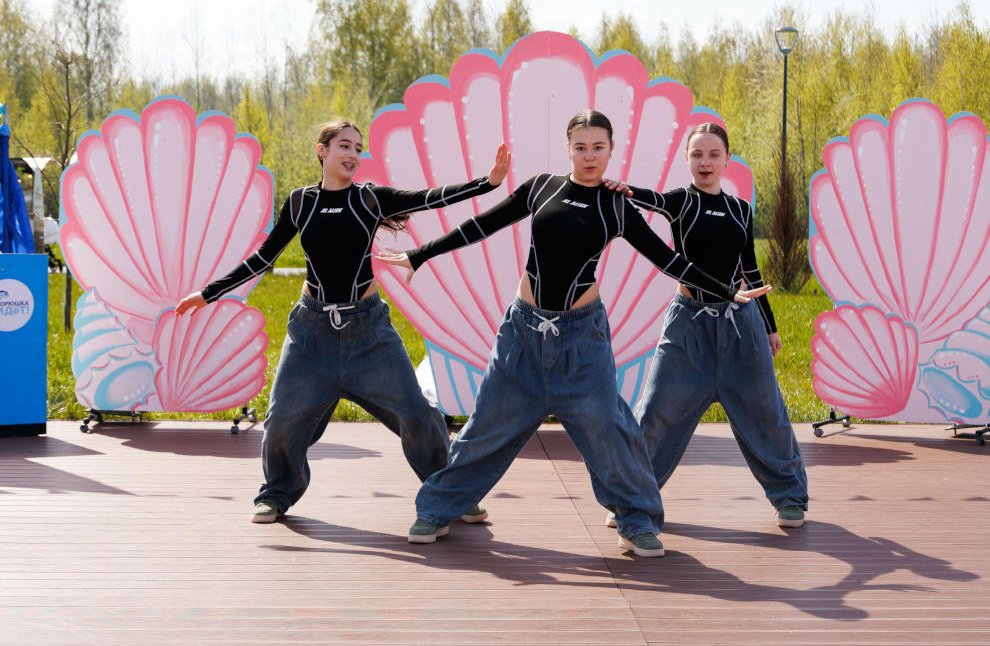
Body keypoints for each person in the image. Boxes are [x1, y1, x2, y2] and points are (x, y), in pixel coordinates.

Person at [377, 110, 770, 557]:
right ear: (568, 149)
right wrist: (421, 254)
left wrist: (727, 291)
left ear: (611, 150)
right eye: (580, 147)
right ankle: (437, 508)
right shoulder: (542, 187)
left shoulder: (616, 206)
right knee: (486, 424)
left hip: (582, 341)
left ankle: (636, 520)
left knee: (608, 429)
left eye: (598, 147)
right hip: (522, 335)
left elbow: (668, 260)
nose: (589, 156)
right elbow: (481, 225)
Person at [175, 119, 511, 524]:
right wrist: (208, 293)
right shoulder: (300, 202)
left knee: (418, 416)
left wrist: (487, 183)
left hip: (368, 334)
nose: (353, 154)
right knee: (281, 419)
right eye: (344, 146)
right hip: (310, 333)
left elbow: (429, 199)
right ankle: (276, 493)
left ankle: (452, 493)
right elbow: (264, 258)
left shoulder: (370, 199)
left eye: (358, 148)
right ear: (323, 151)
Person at [604, 122, 808, 529]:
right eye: (697, 154)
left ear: (727, 159)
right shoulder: (682, 201)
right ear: (687, 158)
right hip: (688, 326)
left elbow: (751, 271)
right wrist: (627, 189)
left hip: (741, 327)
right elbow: (655, 200)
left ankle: (790, 497)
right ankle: (633, 500)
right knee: (654, 413)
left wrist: (769, 326)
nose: (705, 162)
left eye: (714, 154)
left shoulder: (740, 209)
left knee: (767, 413)